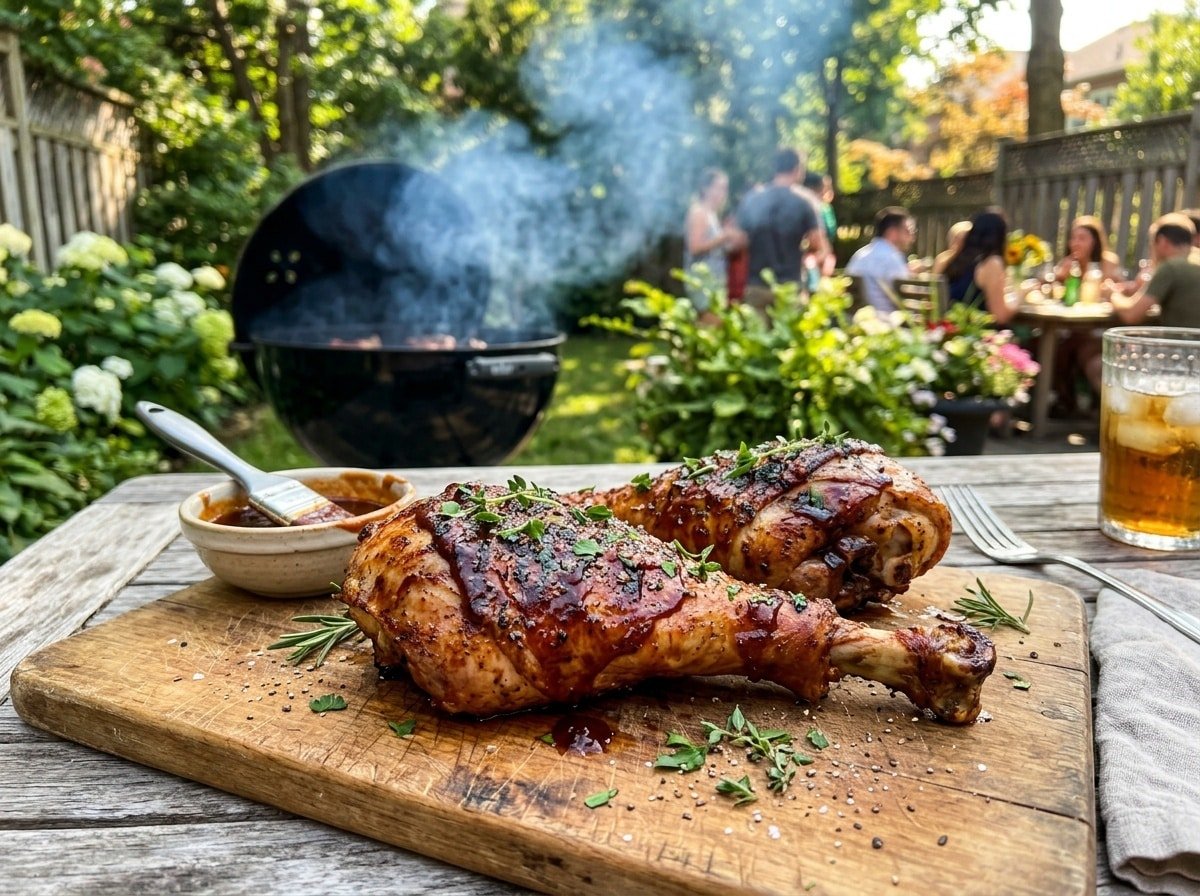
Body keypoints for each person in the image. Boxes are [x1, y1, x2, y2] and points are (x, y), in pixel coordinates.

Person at [735, 148, 823, 313]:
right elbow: (817, 242)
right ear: (797, 169)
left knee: (756, 338)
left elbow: (739, 241)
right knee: (789, 337)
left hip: (757, 284)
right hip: (790, 286)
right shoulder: (805, 201)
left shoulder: (752, 199)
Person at [1112, 213, 1200, 329]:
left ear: (1162, 241)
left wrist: (1113, 295)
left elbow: (1131, 314)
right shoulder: (1194, 260)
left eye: (1151, 245)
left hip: (1183, 344)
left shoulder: (1170, 267)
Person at [941, 209, 1016, 325]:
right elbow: (1001, 315)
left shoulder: (955, 260)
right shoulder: (992, 263)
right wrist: (1021, 294)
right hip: (976, 335)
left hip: (950, 331)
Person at [683, 168, 743, 311]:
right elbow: (695, 247)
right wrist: (725, 236)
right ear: (705, 188)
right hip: (702, 283)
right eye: (717, 187)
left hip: (714, 281)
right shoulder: (699, 212)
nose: (721, 193)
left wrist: (734, 245)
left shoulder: (712, 215)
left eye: (724, 189)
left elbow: (714, 248)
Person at [844, 206, 917, 312]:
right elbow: (909, 298)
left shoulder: (860, 254)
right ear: (892, 232)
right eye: (908, 231)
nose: (912, 237)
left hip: (859, 320)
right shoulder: (892, 257)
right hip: (888, 321)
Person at [1053, 215, 1121, 287]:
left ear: (1095, 242)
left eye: (1082, 238)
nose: (1075, 243)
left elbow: (1118, 289)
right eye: (1073, 238)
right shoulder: (1067, 264)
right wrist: (1060, 277)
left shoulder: (1108, 263)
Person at [803, 170, 838, 275]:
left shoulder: (825, 208)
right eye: (824, 187)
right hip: (812, 255)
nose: (827, 191)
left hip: (822, 252)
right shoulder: (808, 208)